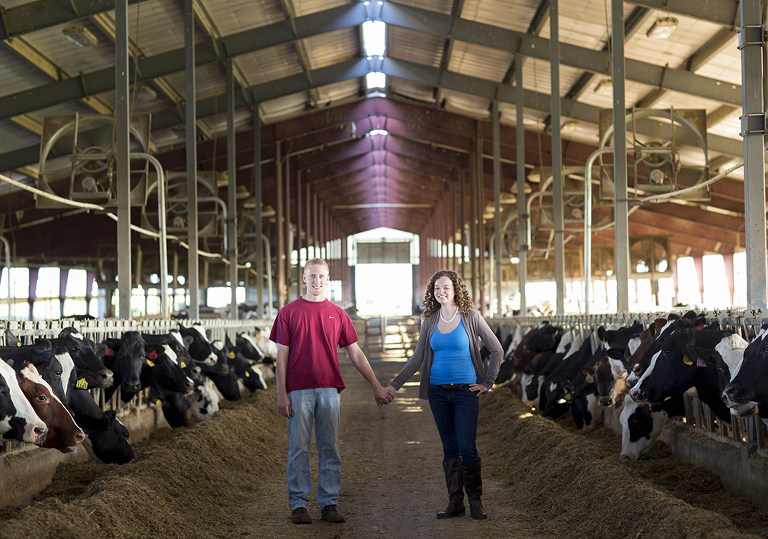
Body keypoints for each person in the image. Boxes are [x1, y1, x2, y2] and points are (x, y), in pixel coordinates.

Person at [270, 258, 392, 525]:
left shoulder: (338, 314)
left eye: (321, 276)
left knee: (329, 447)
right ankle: (299, 505)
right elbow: (281, 356)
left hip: (329, 390)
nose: (317, 281)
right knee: (299, 448)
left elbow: (355, 353)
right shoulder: (288, 313)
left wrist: (375, 385)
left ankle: (329, 503)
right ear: (303, 278)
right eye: (312, 276)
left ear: (328, 279)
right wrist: (281, 393)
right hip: (298, 390)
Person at [385, 269, 502, 520]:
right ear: (432, 292)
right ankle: (455, 502)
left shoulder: (471, 317)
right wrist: (394, 385)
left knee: (467, 447)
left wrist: (487, 382)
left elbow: (497, 350)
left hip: (466, 392)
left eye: (446, 287)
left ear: (456, 289)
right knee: (449, 447)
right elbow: (417, 358)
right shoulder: (429, 321)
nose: (441, 291)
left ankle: (476, 501)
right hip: (438, 392)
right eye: (437, 288)